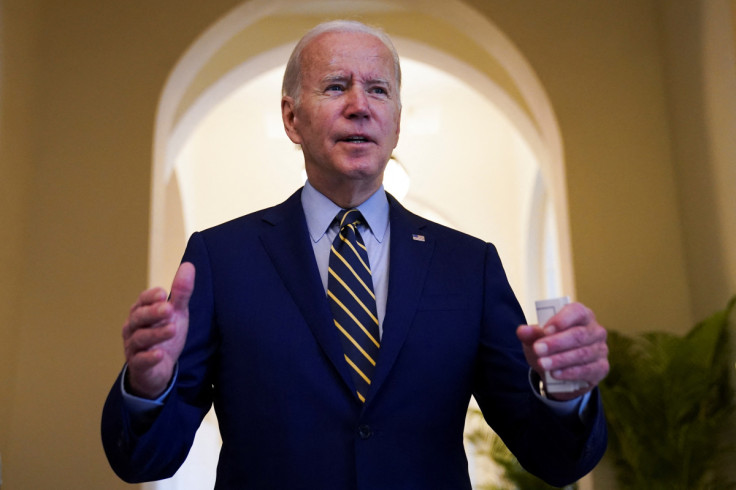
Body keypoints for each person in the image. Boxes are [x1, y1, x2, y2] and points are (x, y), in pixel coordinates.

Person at [102, 20, 609, 489]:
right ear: (291, 116)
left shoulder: (467, 267)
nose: (360, 105)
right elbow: (146, 460)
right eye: (336, 86)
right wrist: (149, 388)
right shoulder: (222, 258)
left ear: (396, 121)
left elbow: (553, 458)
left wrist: (566, 393)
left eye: (378, 89)